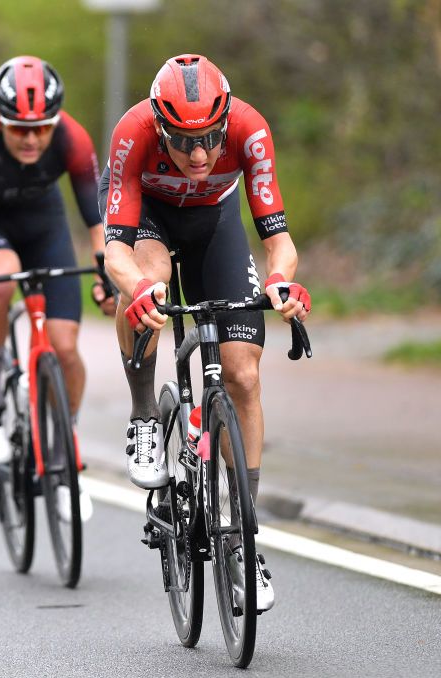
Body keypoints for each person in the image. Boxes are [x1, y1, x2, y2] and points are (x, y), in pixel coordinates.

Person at [101, 53, 312, 611]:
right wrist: (137, 289)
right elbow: (114, 250)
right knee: (150, 281)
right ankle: (146, 415)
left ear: (225, 125)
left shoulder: (250, 128)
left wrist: (282, 283)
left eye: (210, 140)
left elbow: (278, 240)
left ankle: (242, 537)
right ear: (159, 126)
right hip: (147, 219)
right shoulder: (133, 132)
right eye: (183, 142)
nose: (198, 155)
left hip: (214, 222)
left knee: (242, 373)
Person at [0, 55, 113, 519]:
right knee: (0, 277)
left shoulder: (72, 138)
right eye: (18, 129)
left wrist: (109, 275)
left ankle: (62, 454)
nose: (31, 139)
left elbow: (100, 226)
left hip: (43, 224)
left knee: (66, 348)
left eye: (42, 128)